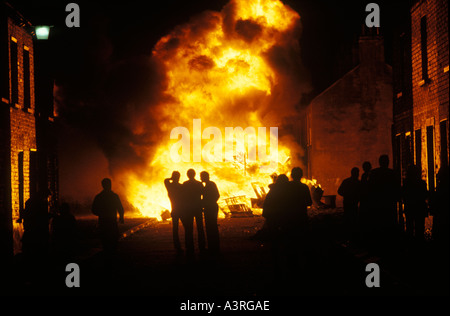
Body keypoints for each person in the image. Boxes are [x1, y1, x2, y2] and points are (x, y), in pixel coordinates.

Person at [92, 178, 124, 255]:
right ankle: (112, 254)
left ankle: (107, 254)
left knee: (105, 239)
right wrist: (121, 217)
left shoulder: (99, 197)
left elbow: (93, 209)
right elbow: (120, 207)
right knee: (113, 238)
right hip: (112, 221)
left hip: (103, 221)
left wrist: (101, 213)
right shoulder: (114, 196)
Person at [20, 189, 52, 258]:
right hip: (36, 229)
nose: (46, 198)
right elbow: (40, 215)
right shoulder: (39, 203)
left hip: (31, 229)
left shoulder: (30, 201)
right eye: (46, 196)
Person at [182, 169, 206, 257]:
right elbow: (204, 194)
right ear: (194, 174)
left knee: (189, 229)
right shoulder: (199, 184)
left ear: (188, 175)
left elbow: (183, 197)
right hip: (197, 207)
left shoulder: (185, 184)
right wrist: (202, 204)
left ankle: (189, 247)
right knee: (200, 228)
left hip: (188, 208)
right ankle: (202, 246)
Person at [402, 165, 428, 242]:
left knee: (409, 226)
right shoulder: (422, 183)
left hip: (410, 207)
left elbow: (404, 195)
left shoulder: (406, 183)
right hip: (419, 207)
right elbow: (425, 195)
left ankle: (410, 243)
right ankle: (419, 243)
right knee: (419, 228)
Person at [338, 167, 361, 242]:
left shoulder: (346, 181)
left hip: (348, 204)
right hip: (353, 204)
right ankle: (353, 238)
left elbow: (340, 191)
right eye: (357, 173)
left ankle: (347, 237)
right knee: (353, 220)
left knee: (347, 220)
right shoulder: (358, 183)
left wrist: (346, 195)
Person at [200, 171, 220, 255]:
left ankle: (213, 247)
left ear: (205, 177)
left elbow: (217, 195)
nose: (200, 178)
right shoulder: (209, 185)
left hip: (210, 208)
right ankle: (214, 246)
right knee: (212, 227)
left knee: (210, 227)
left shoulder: (210, 185)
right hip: (211, 207)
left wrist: (208, 202)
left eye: (201, 176)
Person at [165, 171, 184, 254]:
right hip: (182, 210)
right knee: (187, 227)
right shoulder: (181, 186)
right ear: (179, 177)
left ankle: (177, 247)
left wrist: (171, 178)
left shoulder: (169, 186)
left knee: (175, 229)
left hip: (174, 210)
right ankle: (189, 245)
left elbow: (165, 180)